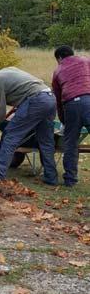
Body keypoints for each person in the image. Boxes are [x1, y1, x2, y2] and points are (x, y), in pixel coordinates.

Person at [0, 64, 58, 184]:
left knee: (10, 136)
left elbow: (0, 114)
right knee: (46, 141)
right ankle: (51, 178)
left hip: (35, 101)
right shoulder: (8, 70)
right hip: (50, 99)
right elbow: (22, 87)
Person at [52, 45, 90, 187]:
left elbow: (58, 99)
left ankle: (70, 180)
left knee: (71, 143)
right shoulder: (86, 61)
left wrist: (63, 120)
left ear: (60, 58)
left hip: (70, 105)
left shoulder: (57, 71)